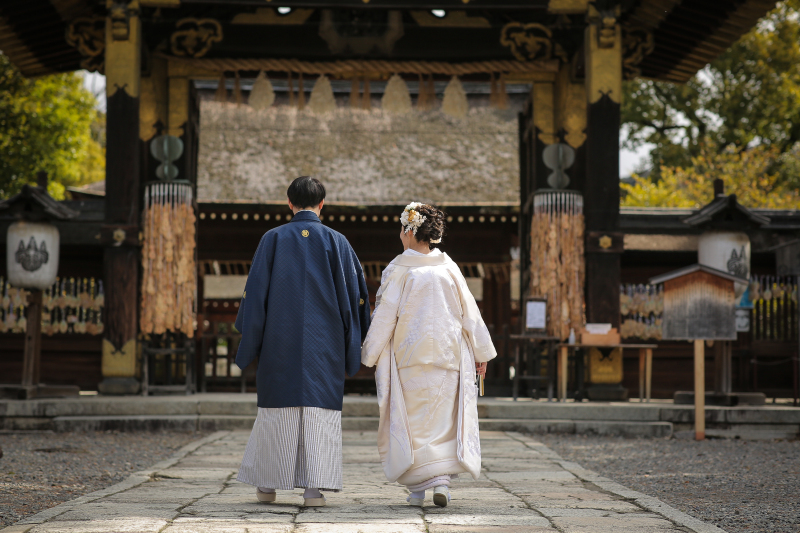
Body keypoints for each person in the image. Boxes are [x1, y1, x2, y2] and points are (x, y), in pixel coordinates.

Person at [234, 176, 370, 507]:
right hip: (325, 346)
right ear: (322, 205)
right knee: (318, 411)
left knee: (275, 410)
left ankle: (267, 486)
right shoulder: (338, 242)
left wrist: (249, 341)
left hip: (279, 340)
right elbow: (355, 299)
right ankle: (314, 490)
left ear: (289, 203)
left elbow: (255, 297)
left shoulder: (273, 239)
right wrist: (356, 344)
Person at [361, 202, 496, 508]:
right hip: (447, 356)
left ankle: (417, 489)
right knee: (442, 421)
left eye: (401, 229)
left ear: (410, 231)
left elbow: (385, 316)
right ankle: (443, 482)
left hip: (410, 356)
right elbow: (469, 314)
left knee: (414, 421)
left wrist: (369, 352)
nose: (400, 235)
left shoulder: (399, 269)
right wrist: (480, 351)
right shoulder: (449, 268)